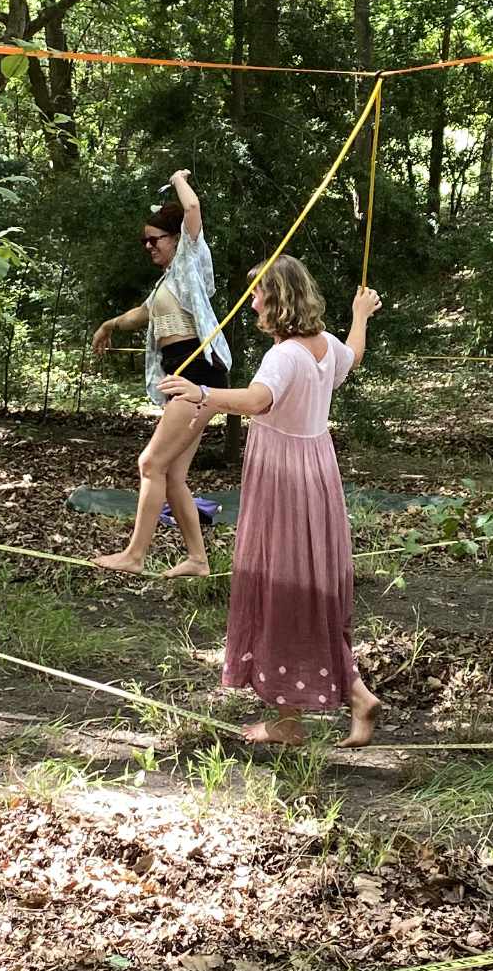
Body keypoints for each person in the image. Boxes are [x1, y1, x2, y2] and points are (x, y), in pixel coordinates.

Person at [158, 258, 384, 747]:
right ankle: (356, 694)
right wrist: (360, 315)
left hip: (283, 477)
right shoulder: (323, 347)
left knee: (280, 589)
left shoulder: (283, 356)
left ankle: (287, 721)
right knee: (307, 589)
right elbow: (354, 357)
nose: (254, 303)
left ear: (279, 297)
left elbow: (258, 400)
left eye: (260, 294)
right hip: (318, 474)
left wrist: (201, 392)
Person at [90, 169, 233, 577]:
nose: (149, 246)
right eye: (144, 242)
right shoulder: (165, 284)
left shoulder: (190, 261)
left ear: (176, 238)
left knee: (150, 464)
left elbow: (191, 206)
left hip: (198, 374)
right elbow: (142, 314)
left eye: (155, 239)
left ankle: (134, 555)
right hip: (181, 378)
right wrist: (109, 325)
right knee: (172, 475)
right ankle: (198, 559)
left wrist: (177, 179)